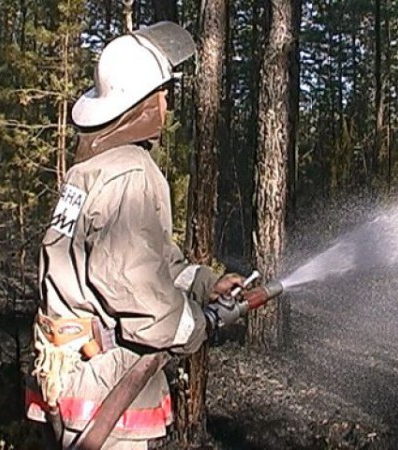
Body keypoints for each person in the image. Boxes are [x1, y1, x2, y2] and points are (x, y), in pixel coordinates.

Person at [25, 22, 244, 449]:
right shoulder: (130, 171)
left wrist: (205, 284)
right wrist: (193, 325)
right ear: (141, 102)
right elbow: (134, 287)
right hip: (110, 391)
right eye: (163, 93)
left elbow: (150, 261)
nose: (168, 104)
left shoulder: (86, 172)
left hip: (67, 379)